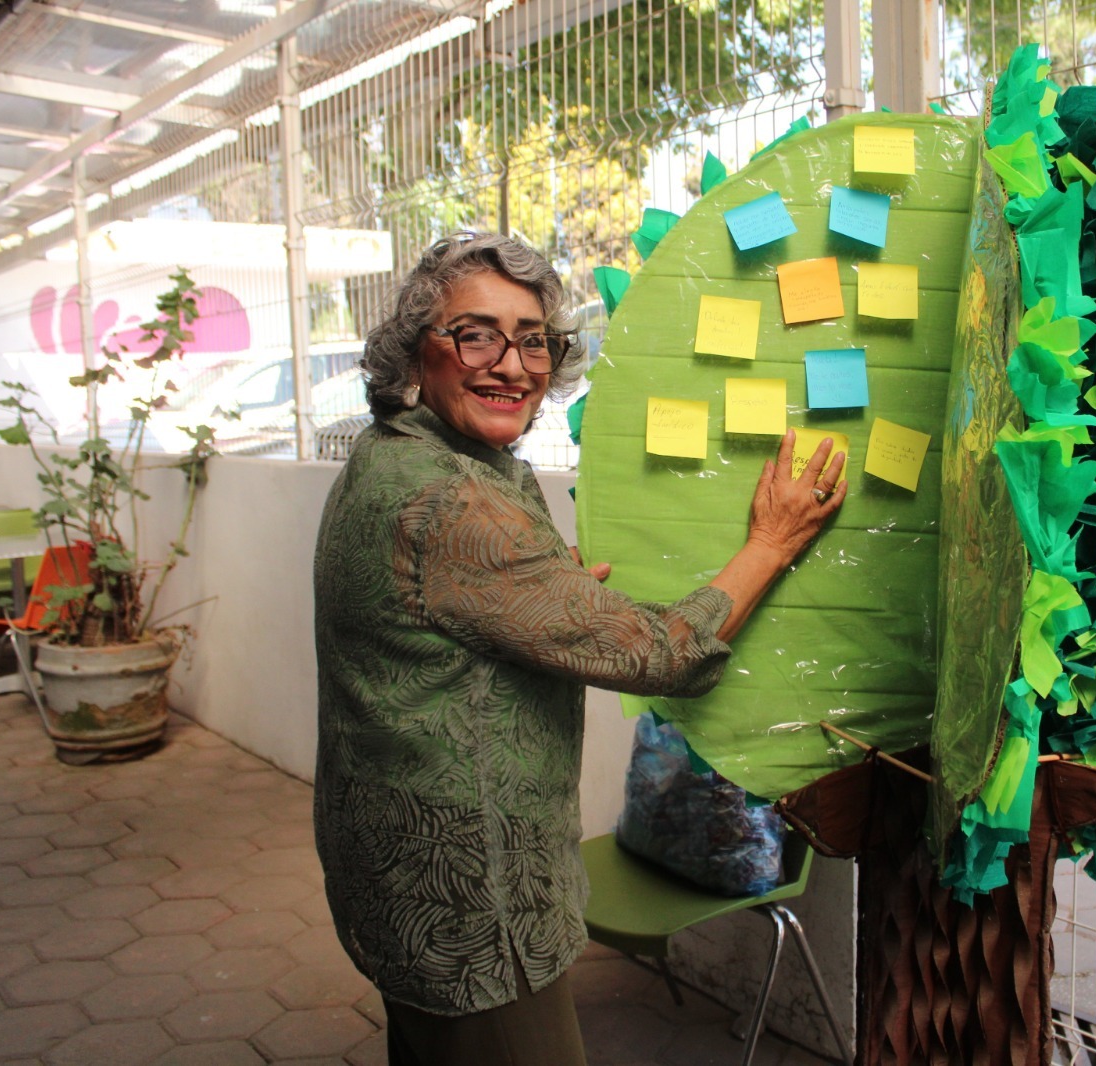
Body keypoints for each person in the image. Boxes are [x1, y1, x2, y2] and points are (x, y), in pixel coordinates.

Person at [313, 231, 846, 1065]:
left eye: (533, 339)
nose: (514, 365)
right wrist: (772, 541)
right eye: (477, 333)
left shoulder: (397, 456)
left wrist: (532, 590)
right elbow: (662, 655)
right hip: (470, 906)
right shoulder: (451, 501)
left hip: (394, 876)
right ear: (418, 349)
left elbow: (439, 604)